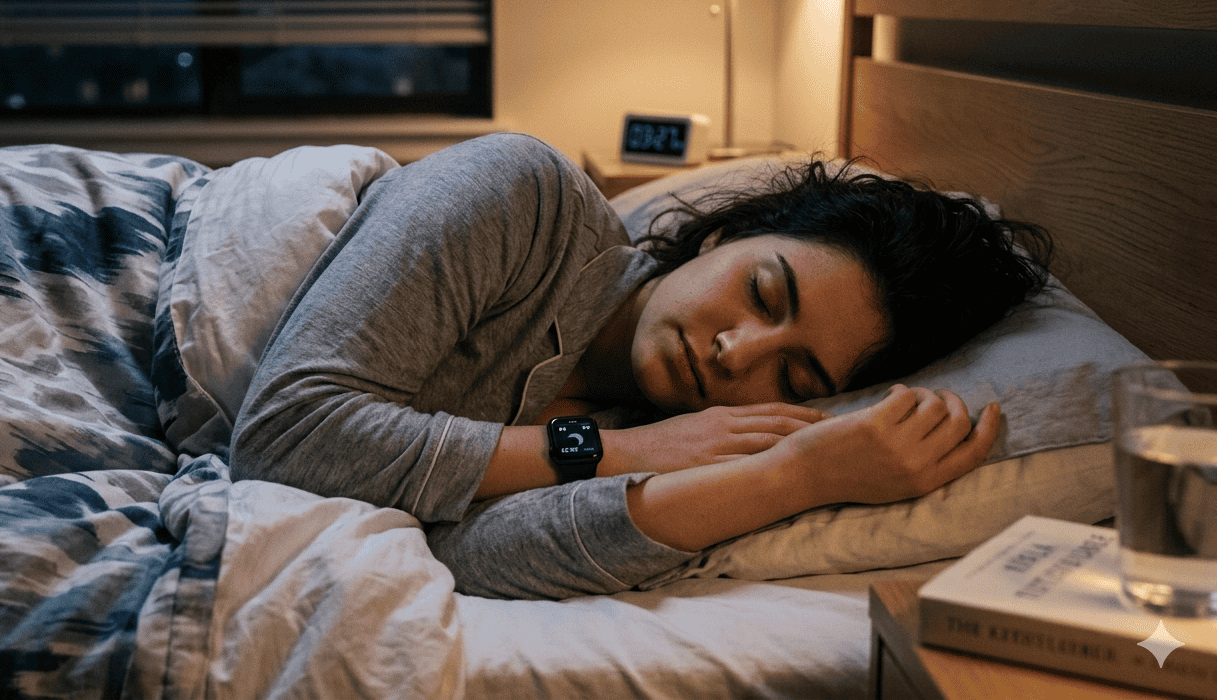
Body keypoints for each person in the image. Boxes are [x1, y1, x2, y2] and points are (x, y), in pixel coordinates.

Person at [229, 133, 1052, 599]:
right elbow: (285, 440)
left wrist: (793, 477)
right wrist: (615, 452)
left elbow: (467, 559)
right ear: (724, 234)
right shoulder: (524, 199)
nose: (737, 353)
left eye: (794, 380)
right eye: (762, 293)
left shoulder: (678, 435)